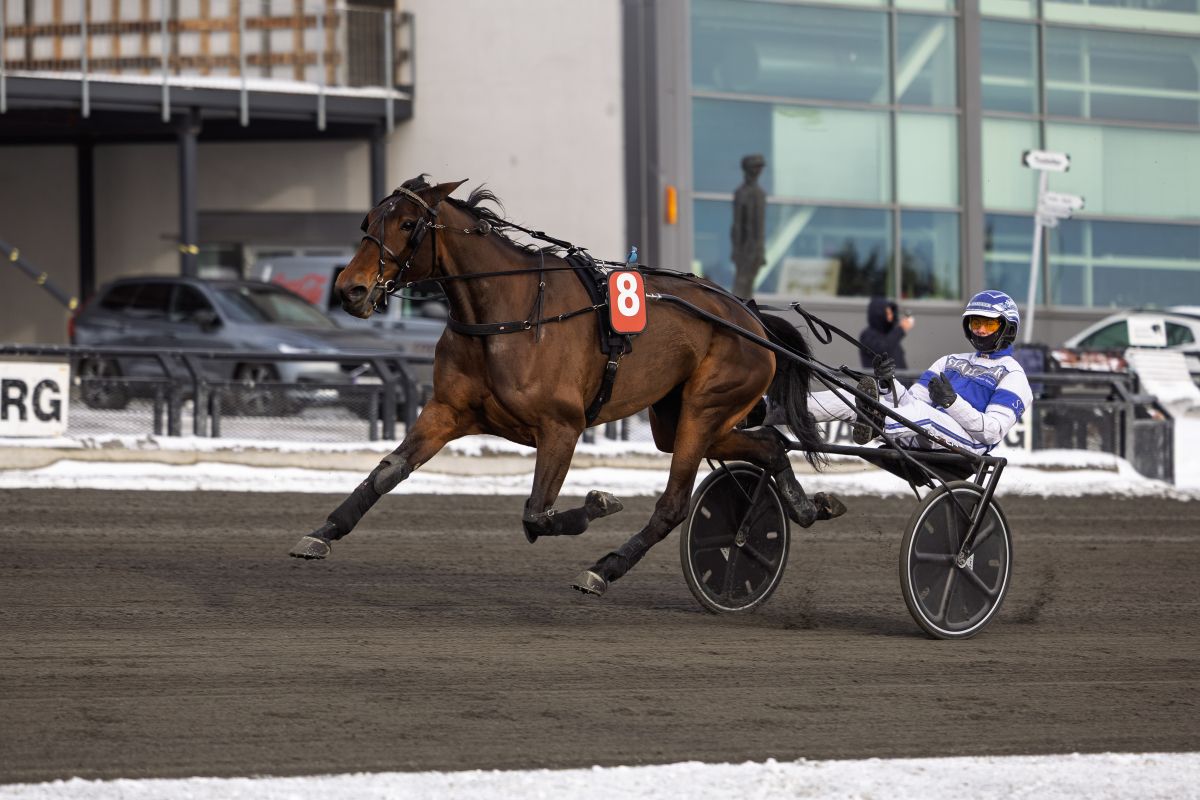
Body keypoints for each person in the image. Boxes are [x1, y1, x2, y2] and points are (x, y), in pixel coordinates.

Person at [807, 290, 1032, 453]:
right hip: (919, 431)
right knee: (854, 395)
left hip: (966, 445)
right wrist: (888, 383)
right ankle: (780, 408)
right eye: (976, 323)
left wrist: (952, 403)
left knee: (926, 416)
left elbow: (992, 432)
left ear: (1007, 328)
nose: (981, 330)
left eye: (990, 325)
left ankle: (877, 423)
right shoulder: (949, 361)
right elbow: (911, 402)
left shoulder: (1013, 376)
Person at [731, 154, 766, 298]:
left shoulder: (760, 193)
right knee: (741, 283)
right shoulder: (742, 193)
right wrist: (737, 250)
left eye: (760, 167)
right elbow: (737, 225)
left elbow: (761, 225)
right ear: (748, 169)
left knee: (750, 284)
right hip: (745, 248)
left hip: (756, 248)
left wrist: (761, 250)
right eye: (756, 167)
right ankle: (737, 312)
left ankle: (745, 313)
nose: (759, 171)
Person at [859, 297, 913, 370]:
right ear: (879, 314)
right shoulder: (867, 335)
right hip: (881, 380)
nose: (891, 316)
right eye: (887, 313)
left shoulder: (889, 334)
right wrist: (901, 329)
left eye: (891, 313)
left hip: (899, 380)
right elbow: (882, 350)